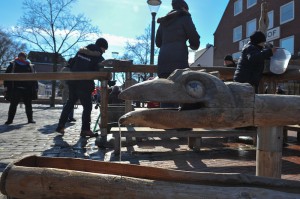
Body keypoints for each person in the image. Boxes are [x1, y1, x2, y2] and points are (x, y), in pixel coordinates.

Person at [55, 38, 108, 138]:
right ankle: (85, 129)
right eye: (104, 49)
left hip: (73, 81)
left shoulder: (80, 52)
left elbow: (72, 63)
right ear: (101, 47)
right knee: (87, 107)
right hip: (85, 84)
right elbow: (100, 71)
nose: (104, 51)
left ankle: (60, 126)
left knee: (70, 103)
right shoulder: (99, 57)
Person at [155, 0, 200, 109]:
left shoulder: (164, 21)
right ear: (184, 8)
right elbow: (195, 39)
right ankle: (182, 123)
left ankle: (167, 123)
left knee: (166, 95)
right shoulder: (185, 17)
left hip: (163, 64)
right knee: (184, 94)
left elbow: (158, 42)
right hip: (179, 64)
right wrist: (193, 46)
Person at [4, 52, 38, 125]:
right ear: (18, 57)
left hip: (27, 88)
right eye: (20, 56)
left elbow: (34, 77)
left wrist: (35, 87)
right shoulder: (13, 65)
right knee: (13, 105)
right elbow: (6, 76)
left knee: (28, 104)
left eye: (23, 56)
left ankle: (30, 119)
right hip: (15, 88)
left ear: (25, 57)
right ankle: (9, 120)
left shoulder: (30, 66)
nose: (21, 58)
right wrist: (6, 86)